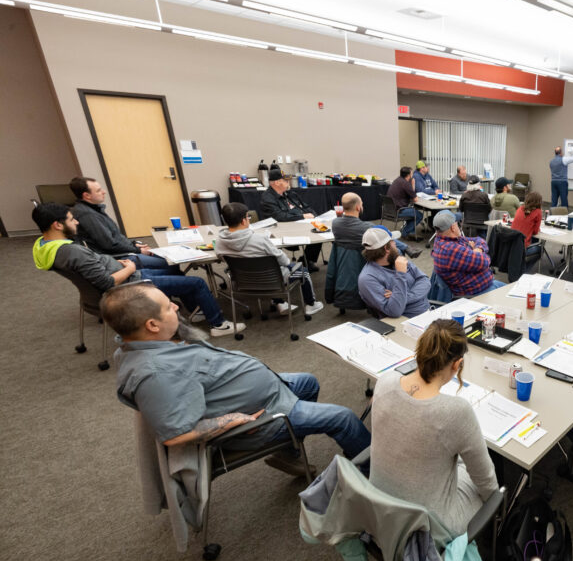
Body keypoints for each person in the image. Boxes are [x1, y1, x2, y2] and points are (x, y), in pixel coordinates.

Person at [102, 284, 369, 476]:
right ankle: (373, 477)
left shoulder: (140, 344)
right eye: (168, 306)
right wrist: (233, 420)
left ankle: (288, 452)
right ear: (151, 325)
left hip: (264, 396)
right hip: (258, 420)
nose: (175, 306)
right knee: (343, 418)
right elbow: (176, 434)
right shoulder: (156, 374)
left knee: (308, 382)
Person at [31, 202, 243, 337]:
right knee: (197, 282)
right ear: (57, 225)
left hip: (126, 276)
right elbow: (106, 282)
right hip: (129, 286)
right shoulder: (72, 252)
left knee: (175, 270)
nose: (76, 221)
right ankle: (219, 324)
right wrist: (131, 265)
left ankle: (197, 311)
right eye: (71, 219)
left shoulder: (44, 246)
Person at [369, 319, 499, 533]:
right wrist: (496, 504)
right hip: (428, 528)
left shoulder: (385, 380)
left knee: (458, 463)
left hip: (378, 508)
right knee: (482, 476)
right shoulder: (457, 412)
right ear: (457, 364)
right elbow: (487, 483)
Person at [215, 201, 324, 316]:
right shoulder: (260, 240)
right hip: (271, 280)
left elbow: (222, 258)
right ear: (243, 221)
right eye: (248, 217)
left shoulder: (219, 242)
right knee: (303, 271)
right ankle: (311, 305)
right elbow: (284, 261)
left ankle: (280, 302)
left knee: (265, 266)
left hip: (242, 281)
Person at [69, 176, 175, 271]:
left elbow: (115, 236)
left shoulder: (93, 210)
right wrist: (138, 250)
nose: (104, 192)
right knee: (170, 262)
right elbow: (109, 244)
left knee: (168, 258)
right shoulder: (88, 215)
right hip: (118, 258)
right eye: (99, 190)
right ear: (87, 195)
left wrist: (134, 244)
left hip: (121, 251)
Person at [257, 168, 322, 270]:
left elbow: (306, 208)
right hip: (281, 230)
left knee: (320, 230)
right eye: (286, 181)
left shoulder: (290, 194)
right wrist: (302, 215)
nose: (289, 183)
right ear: (277, 182)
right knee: (314, 230)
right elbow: (280, 217)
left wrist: (311, 214)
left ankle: (307, 260)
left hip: (298, 225)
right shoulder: (267, 198)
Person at [357, 227, 430, 318]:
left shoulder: (396, 258)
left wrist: (403, 297)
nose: (396, 243)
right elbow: (394, 311)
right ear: (386, 248)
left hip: (428, 312)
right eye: (393, 241)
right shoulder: (367, 278)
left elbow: (425, 280)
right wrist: (400, 275)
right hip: (405, 323)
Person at [430, 209, 504, 297]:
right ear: (453, 228)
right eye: (457, 223)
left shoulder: (445, 239)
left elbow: (479, 240)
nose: (459, 225)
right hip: (477, 293)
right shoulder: (451, 250)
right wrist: (473, 249)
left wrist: (478, 249)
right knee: (516, 297)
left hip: (486, 285)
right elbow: (486, 261)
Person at [331, 192, 418, 257]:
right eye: (361, 204)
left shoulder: (335, 223)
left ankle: (407, 248)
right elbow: (385, 240)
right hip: (367, 258)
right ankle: (406, 248)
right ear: (358, 207)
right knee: (393, 246)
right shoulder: (367, 227)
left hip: (346, 258)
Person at [386, 166, 425, 239]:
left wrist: (412, 185)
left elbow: (411, 194)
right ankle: (405, 232)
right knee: (419, 215)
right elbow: (415, 199)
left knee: (412, 212)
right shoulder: (405, 184)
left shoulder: (397, 180)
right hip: (399, 210)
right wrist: (413, 184)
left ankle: (411, 233)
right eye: (411, 173)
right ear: (409, 175)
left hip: (390, 210)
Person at [510, 190, 544, 266]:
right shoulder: (538, 212)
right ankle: (524, 270)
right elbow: (535, 232)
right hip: (522, 248)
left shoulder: (520, 209)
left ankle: (520, 266)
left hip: (511, 245)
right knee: (541, 249)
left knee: (533, 240)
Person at [549, 145, 573, 209]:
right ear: (561, 153)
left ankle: (551, 215)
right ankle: (564, 215)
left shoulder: (551, 162)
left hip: (553, 182)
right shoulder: (564, 159)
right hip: (562, 182)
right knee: (563, 199)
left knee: (554, 200)